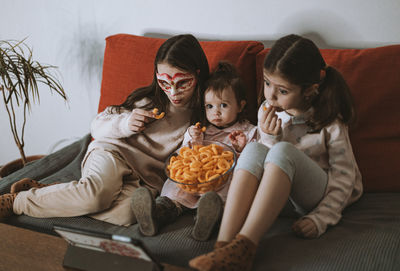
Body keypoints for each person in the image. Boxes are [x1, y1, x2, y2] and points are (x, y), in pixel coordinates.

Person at [189, 34, 363, 271]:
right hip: (276, 200)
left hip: (314, 197)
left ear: (309, 90)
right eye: (267, 83)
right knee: (253, 148)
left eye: (282, 90)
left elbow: (345, 177)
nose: (270, 95)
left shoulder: (331, 121)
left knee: (282, 149)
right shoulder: (268, 111)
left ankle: (245, 247)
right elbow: (265, 162)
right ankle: (224, 247)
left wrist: (321, 218)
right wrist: (268, 136)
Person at [0, 34, 210, 227]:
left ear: (197, 75)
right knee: (97, 196)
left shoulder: (205, 116)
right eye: (164, 83)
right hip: (113, 153)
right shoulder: (145, 100)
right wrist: (126, 123)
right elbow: (97, 126)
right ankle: (18, 201)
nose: (173, 92)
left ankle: (59, 193)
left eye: (183, 83)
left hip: (144, 179)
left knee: (128, 215)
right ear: (157, 77)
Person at [131, 62, 257, 241]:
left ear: (240, 106)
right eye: (210, 106)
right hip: (192, 181)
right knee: (176, 190)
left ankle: (207, 221)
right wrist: (192, 139)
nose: (216, 113)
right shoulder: (201, 129)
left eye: (224, 105)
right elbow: (185, 155)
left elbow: (254, 163)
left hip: (222, 183)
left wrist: (242, 149)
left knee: (223, 196)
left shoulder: (248, 132)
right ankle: (156, 213)